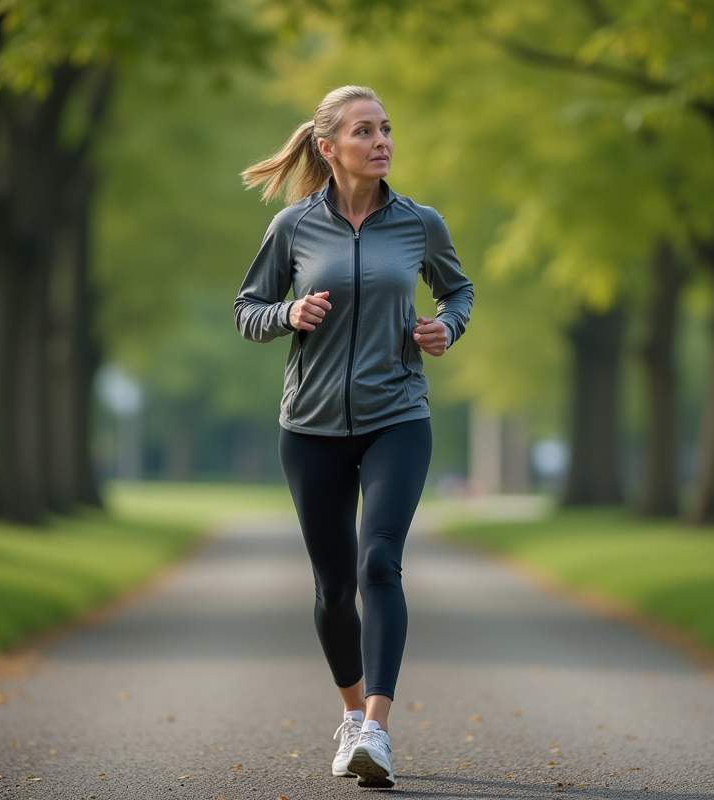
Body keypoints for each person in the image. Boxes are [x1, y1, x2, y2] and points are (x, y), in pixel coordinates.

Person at [234, 86, 474, 788]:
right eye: (365, 131)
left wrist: (444, 327)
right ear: (329, 146)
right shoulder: (292, 228)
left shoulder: (419, 224)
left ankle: (375, 728)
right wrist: (289, 313)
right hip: (309, 429)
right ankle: (348, 715)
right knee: (335, 586)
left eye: (387, 129)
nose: (382, 141)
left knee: (380, 565)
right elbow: (247, 311)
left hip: (398, 416)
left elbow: (457, 292)